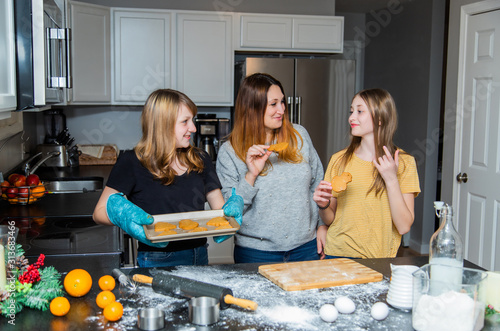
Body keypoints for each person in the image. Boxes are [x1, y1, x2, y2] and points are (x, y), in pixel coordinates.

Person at [93, 89, 242, 267]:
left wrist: (232, 209)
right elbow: (98, 212)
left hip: (199, 254)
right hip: (156, 259)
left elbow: (219, 209)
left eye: (192, 120)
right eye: (185, 121)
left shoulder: (199, 158)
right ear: (163, 124)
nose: (193, 128)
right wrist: (121, 216)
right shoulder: (132, 162)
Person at [216, 73, 324, 263]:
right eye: (273, 104)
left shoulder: (299, 135)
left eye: (282, 102)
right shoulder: (230, 151)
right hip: (255, 253)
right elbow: (229, 212)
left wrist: (323, 226)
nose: (281, 109)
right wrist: (251, 175)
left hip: (306, 248)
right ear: (252, 108)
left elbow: (319, 186)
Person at [313, 88, 421, 259]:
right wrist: (323, 205)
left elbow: (403, 227)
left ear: (380, 118)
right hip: (337, 254)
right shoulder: (338, 160)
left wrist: (391, 179)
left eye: (360, 111)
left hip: (380, 259)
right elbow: (330, 219)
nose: (351, 117)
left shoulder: (404, 162)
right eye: (351, 111)